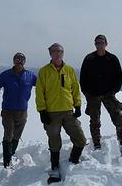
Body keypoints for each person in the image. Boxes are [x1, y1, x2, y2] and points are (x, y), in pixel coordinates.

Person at [36, 43, 87, 184]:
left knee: (80, 139)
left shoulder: (69, 70)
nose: (58, 54)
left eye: (60, 52)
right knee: (54, 140)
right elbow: (39, 92)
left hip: (68, 111)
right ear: (50, 54)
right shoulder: (44, 71)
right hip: (51, 113)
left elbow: (75, 88)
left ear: (63, 54)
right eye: (54, 51)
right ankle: (55, 166)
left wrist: (77, 105)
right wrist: (42, 111)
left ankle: (73, 160)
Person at [80, 34, 122, 154]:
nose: (99, 45)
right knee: (95, 121)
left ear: (106, 44)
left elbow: (119, 77)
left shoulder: (112, 59)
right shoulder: (89, 59)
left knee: (119, 118)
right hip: (93, 95)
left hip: (108, 94)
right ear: (95, 44)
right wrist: (87, 93)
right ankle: (96, 145)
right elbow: (83, 78)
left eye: (101, 42)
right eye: (97, 43)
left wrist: (113, 91)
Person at [0, 52, 37, 168]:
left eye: (21, 60)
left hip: (22, 111)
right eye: (17, 60)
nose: (19, 62)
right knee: (8, 134)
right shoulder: (6, 75)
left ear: (24, 62)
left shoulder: (30, 76)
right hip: (8, 111)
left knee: (17, 134)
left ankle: (11, 153)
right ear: (14, 61)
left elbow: (42, 86)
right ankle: (7, 162)